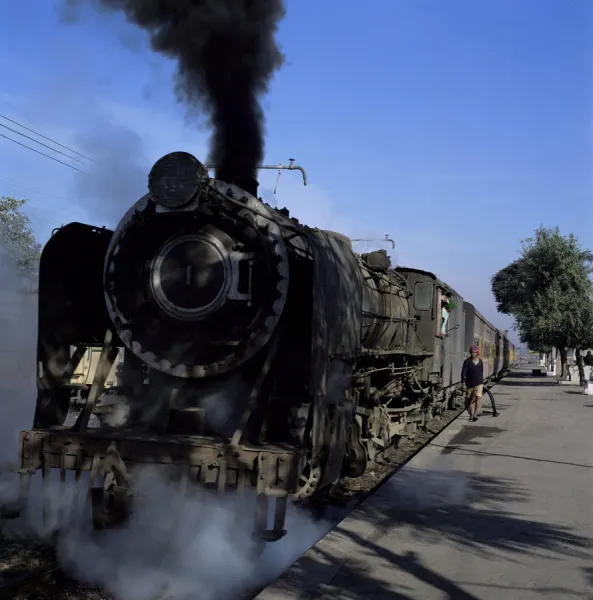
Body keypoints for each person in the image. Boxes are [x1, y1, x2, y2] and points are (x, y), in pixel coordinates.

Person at [461, 345, 484, 422]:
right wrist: (463, 383)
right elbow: (463, 373)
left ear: (477, 353)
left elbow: (481, 372)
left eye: (474, 352)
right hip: (469, 384)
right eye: (471, 352)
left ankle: (475, 414)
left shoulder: (480, 362)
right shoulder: (467, 362)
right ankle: (471, 414)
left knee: (478, 398)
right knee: (469, 400)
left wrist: (482, 382)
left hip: (479, 383)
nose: (473, 354)